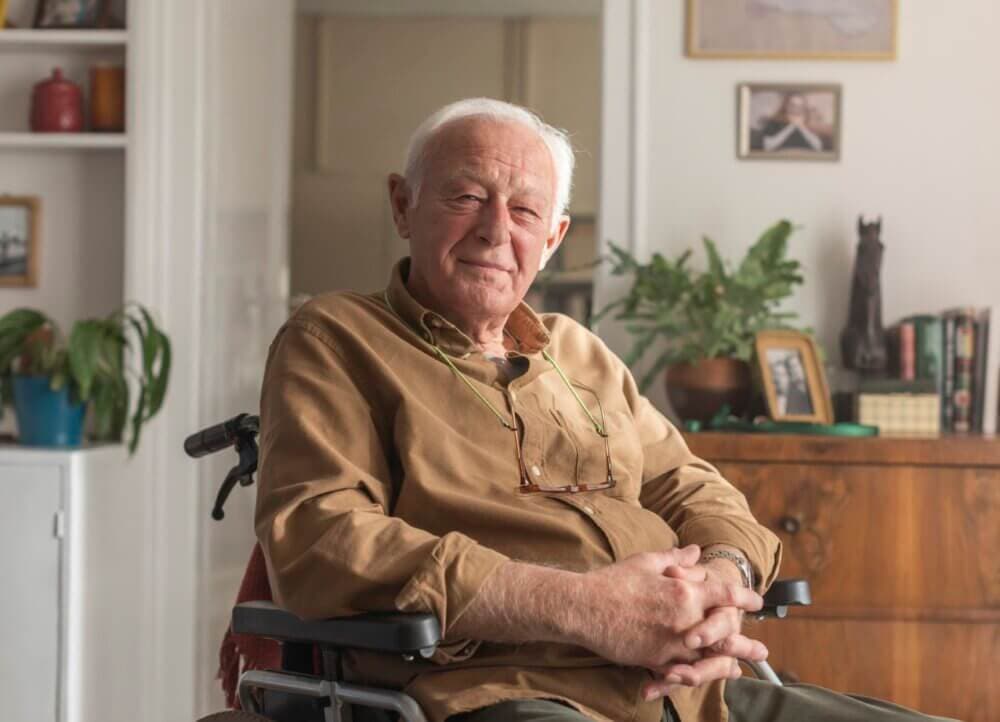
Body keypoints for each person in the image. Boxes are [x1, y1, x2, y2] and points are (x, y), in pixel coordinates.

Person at [254, 98, 954, 722]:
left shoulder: (580, 353)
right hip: (500, 689)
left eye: (525, 211)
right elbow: (323, 538)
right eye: (467, 197)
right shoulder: (335, 339)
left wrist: (718, 584)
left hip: (692, 693)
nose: (497, 232)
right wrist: (586, 609)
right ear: (403, 204)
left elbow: (692, 486)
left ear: (553, 239)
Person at [756, 92, 831, 153]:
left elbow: (818, 147)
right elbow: (768, 147)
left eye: (800, 106)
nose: (796, 109)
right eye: (792, 105)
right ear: (785, 106)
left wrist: (801, 127)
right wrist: (791, 127)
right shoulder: (774, 122)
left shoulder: (808, 124)